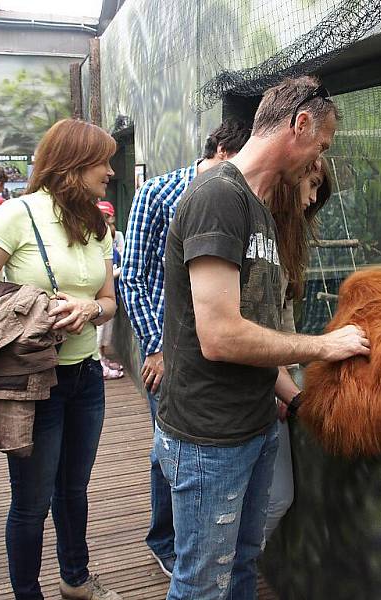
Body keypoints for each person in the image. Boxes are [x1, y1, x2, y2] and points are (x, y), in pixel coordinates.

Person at [155, 75, 369, 599]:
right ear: (298, 125)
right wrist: (325, 346)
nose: (317, 161)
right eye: (320, 146)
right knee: (202, 584)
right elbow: (221, 337)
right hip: (211, 439)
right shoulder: (218, 198)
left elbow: (263, 330)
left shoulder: (260, 208)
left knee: (244, 566)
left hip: (253, 427)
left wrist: (295, 401)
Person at [0, 118, 121, 600]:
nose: (109, 171)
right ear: (73, 164)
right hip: (34, 382)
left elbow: (109, 300)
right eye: (102, 161)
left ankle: (76, 581)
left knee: (74, 491)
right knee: (32, 501)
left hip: (86, 378)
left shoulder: (95, 221)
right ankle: (28, 592)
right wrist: (38, 308)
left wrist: (90, 309)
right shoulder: (17, 214)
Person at [119, 119, 250, 576]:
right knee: (166, 449)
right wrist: (157, 349)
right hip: (166, 350)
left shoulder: (244, 199)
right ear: (216, 151)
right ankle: (166, 540)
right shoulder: (157, 193)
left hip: (217, 352)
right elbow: (132, 277)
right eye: (230, 165)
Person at [263, 158, 332, 540]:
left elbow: (282, 321)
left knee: (276, 498)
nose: (314, 196)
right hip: (238, 399)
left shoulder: (287, 240)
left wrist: (287, 383)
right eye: (312, 183)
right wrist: (290, 393)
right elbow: (247, 332)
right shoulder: (254, 231)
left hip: (273, 383)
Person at [97, 216, 123, 380]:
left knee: (106, 335)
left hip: (112, 297)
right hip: (98, 299)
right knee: (98, 335)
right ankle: (100, 364)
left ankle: (103, 359)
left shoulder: (112, 249)